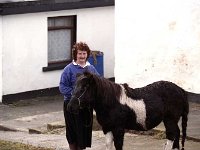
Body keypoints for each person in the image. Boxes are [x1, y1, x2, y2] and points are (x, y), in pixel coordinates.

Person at [59, 42, 99, 150]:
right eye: (79, 53)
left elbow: (98, 85)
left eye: (84, 53)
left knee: (83, 134)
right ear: (75, 55)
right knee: (72, 133)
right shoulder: (68, 69)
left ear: (87, 55)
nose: (82, 56)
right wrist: (76, 95)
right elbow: (62, 87)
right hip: (71, 106)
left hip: (86, 108)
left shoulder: (92, 69)